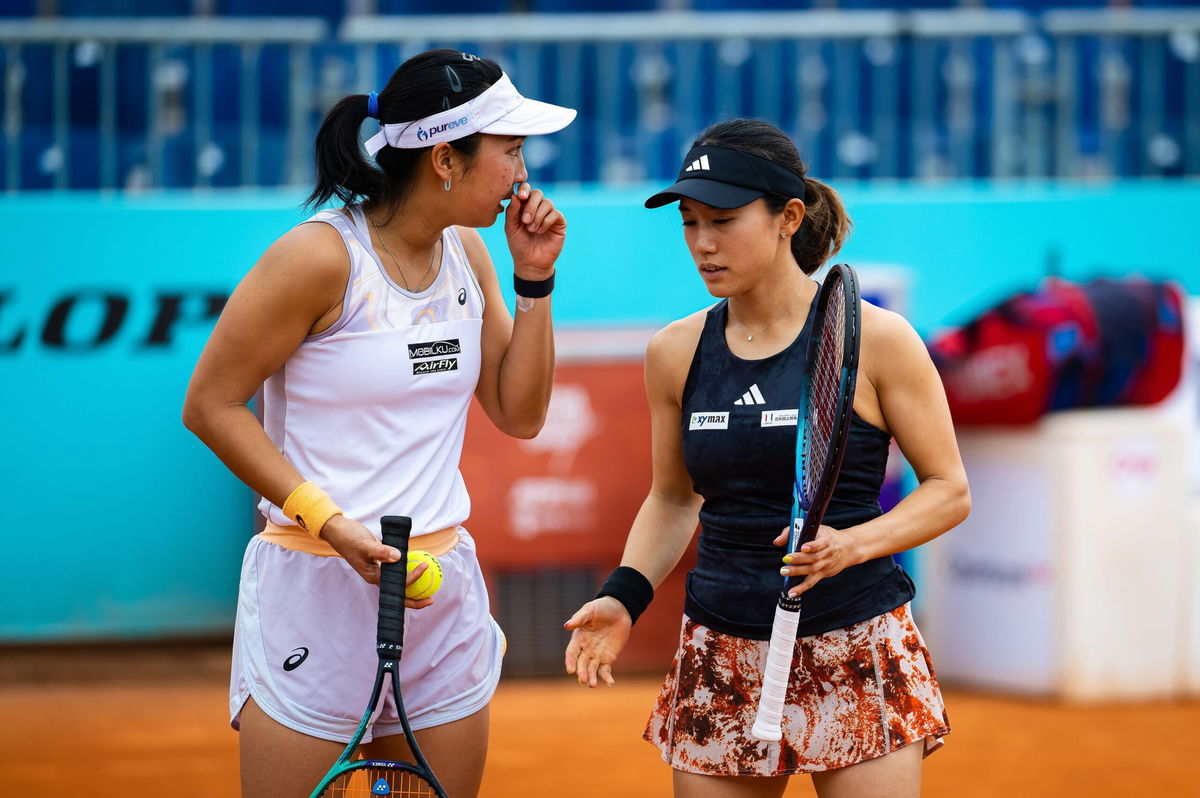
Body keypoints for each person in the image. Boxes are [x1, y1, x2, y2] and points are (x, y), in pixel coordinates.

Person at [182, 49, 574, 798]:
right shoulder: (317, 258)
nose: (522, 175)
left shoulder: (469, 252)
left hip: (440, 590)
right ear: (445, 159)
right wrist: (327, 521)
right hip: (315, 582)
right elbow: (210, 404)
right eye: (510, 150)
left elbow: (520, 415)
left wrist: (535, 281)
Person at [563, 118, 971, 798]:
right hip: (721, 648)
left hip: (855, 640)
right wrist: (624, 595)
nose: (702, 243)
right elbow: (672, 497)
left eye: (722, 220)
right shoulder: (674, 351)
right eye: (689, 223)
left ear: (789, 217)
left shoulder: (881, 340)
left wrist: (851, 545)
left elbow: (948, 489)